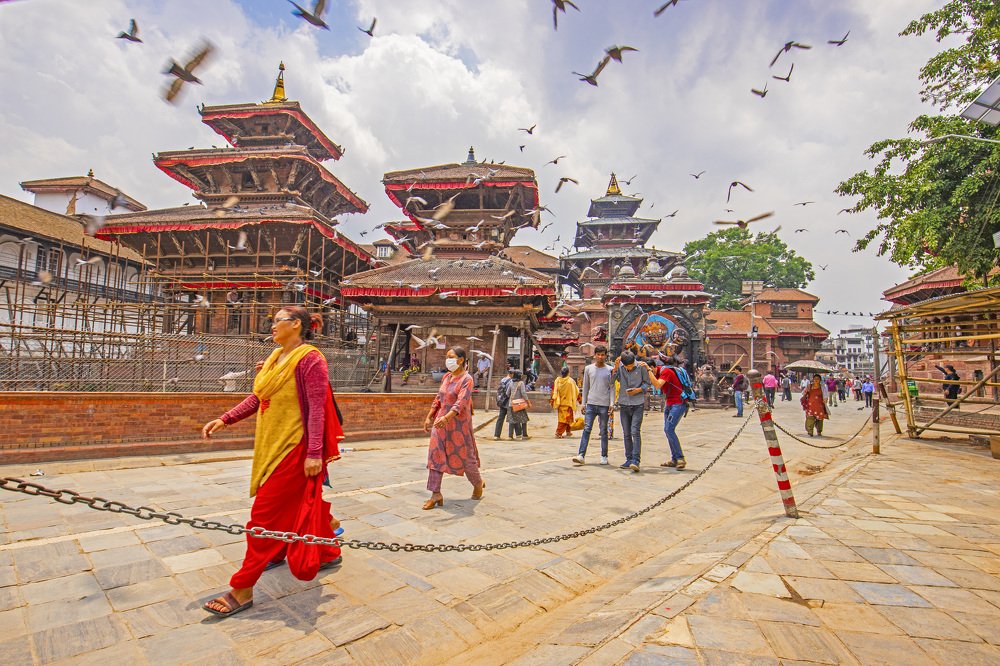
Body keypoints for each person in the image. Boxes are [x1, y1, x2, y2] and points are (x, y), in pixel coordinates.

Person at [201, 306, 343, 618]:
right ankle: (327, 551)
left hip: (294, 448)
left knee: (263, 515)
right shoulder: (274, 359)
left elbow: (317, 408)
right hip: (270, 445)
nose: (272, 325)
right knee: (299, 503)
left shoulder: (310, 359)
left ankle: (242, 587)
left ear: (296, 325)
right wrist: (225, 419)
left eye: (277, 320)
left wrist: (314, 453)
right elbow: (258, 398)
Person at [422, 346, 484, 509]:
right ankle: (436, 494)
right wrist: (430, 415)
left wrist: (447, 417)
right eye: (447, 356)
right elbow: (439, 397)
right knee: (434, 455)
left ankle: (477, 483)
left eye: (451, 357)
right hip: (440, 422)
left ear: (461, 359)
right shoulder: (446, 377)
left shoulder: (467, 379)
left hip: (458, 424)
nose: (447, 360)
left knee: (466, 458)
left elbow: (461, 403)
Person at [643, 355, 687, 470]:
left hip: (679, 403)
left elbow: (657, 385)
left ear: (652, 367)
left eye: (648, 370)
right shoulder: (656, 373)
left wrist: (648, 371)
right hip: (670, 403)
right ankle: (674, 459)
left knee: (669, 429)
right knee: (667, 430)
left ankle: (680, 458)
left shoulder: (665, 371)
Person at [572, 345, 612, 466]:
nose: (600, 357)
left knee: (604, 430)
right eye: (598, 354)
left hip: (604, 404)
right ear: (595, 355)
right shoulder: (589, 369)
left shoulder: (610, 370)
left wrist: (612, 403)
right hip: (591, 403)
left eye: (602, 354)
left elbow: (612, 387)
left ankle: (604, 456)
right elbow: (586, 387)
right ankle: (581, 454)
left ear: (605, 356)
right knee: (587, 428)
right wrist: (583, 403)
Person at [615, 350, 650, 472]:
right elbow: (612, 380)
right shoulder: (620, 367)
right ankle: (628, 459)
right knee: (626, 433)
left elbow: (647, 384)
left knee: (635, 431)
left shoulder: (641, 367)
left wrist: (639, 390)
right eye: (626, 366)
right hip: (624, 403)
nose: (629, 368)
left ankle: (636, 460)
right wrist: (615, 367)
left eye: (630, 366)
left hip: (637, 404)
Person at [551, 366, 579, 438]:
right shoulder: (570, 381)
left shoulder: (557, 381)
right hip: (568, 402)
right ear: (568, 373)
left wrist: (553, 400)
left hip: (560, 403)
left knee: (567, 418)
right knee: (564, 419)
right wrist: (579, 399)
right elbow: (576, 391)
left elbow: (554, 392)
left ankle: (568, 431)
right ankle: (558, 433)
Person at [508, 370, 531, 440]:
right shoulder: (521, 383)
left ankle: (510, 436)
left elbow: (507, 393)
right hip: (519, 405)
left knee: (512, 420)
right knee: (524, 419)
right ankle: (524, 434)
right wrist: (528, 401)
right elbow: (523, 393)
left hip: (511, 404)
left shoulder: (511, 383)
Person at [493, 368, 515, 440]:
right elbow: (509, 393)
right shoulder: (511, 381)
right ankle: (510, 436)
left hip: (502, 401)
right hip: (508, 401)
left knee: (500, 418)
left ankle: (496, 435)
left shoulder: (503, 380)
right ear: (512, 374)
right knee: (511, 418)